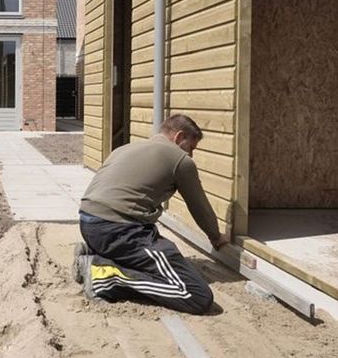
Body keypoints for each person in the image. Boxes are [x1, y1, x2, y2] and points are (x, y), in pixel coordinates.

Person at [73, 113, 227, 314]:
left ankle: (94, 252)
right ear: (179, 137)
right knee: (196, 295)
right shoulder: (180, 160)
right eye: (191, 148)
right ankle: (102, 278)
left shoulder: (126, 148)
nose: (191, 155)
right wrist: (216, 237)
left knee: (151, 247)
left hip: (88, 223)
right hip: (119, 230)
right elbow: (199, 207)